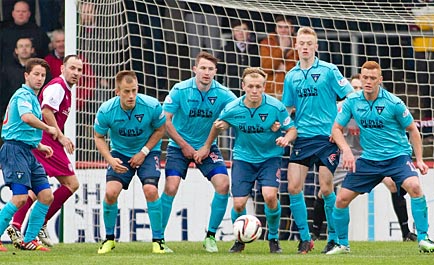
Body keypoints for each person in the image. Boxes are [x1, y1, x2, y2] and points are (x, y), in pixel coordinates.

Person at [327, 60, 434, 255]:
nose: (368, 81)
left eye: (372, 78)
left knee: (415, 187)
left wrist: (419, 159)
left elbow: (412, 129)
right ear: (360, 78)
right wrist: (345, 149)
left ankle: (423, 238)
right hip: (369, 159)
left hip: (397, 157)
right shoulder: (352, 102)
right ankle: (342, 244)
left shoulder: (393, 103)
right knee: (341, 199)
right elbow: (336, 129)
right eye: (365, 77)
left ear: (380, 79)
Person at [194, 67, 297, 253]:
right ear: (243, 86)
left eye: (258, 86)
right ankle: (239, 240)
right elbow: (217, 126)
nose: (254, 90)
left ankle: (273, 239)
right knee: (239, 203)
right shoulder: (233, 108)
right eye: (251, 86)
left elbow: (292, 129)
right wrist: (207, 146)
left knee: (270, 196)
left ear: (264, 87)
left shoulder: (275, 107)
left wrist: (285, 138)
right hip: (243, 159)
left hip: (270, 158)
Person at [311, 74, 417, 243]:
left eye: (361, 87)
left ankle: (406, 233)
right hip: (347, 156)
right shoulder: (344, 107)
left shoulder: (378, 105)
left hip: (371, 155)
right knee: (324, 190)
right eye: (356, 87)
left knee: (393, 185)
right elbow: (333, 128)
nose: (360, 90)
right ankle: (315, 233)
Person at [281, 26, 354, 254]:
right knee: (293, 187)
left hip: (326, 137)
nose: (304, 47)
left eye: (308, 43)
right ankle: (305, 239)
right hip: (302, 137)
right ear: (296, 46)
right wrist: (280, 124)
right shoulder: (291, 76)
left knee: (325, 188)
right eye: (301, 43)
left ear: (315, 46)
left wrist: (337, 122)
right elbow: (287, 108)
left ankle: (334, 239)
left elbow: (351, 96)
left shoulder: (329, 70)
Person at [161, 51, 236, 253]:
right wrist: (184, 145)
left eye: (210, 69)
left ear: (215, 72)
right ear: (194, 69)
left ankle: (211, 236)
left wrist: (206, 145)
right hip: (178, 147)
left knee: (223, 184)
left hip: (207, 147)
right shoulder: (180, 89)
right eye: (203, 68)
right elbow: (165, 120)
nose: (206, 72)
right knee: (171, 186)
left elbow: (237, 114)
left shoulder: (223, 94)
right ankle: (158, 239)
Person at [6, 55, 84, 248]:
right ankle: (39, 223)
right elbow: (46, 111)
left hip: (39, 141)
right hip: (44, 140)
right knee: (71, 183)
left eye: (79, 70)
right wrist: (60, 135)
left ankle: (19, 227)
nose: (76, 73)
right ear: (62, 69)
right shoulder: (57, 87)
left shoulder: (63, 89)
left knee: (38, 189)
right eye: (72, 68)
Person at [94, 70, 168, 254]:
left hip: (148, 152)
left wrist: (143, 152)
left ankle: (158, 241)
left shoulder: (151, 106)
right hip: (120, 153)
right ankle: (109, 239)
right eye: (126, 91)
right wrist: (110, 159)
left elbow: (160, 130)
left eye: (134, 90)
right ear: (117, 91)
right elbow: (98, 136)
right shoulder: (106, 110)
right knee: (111, 193)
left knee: (150, 190)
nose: (131, 96)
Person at [0, 58, 58, 251]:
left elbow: (20, 126)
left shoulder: (33, 98)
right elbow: (26, 118)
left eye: (43, 75)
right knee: (20, 198)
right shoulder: (23, 94)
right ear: (26, 75)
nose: (40, 78)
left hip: (27, 150)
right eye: (36, 74)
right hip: (14, 150)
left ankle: (29, 239)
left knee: (46, 195)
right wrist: (48, 128)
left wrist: (39, 145)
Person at [216, 19, 260, 96]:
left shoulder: (257, 49)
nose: (240, 32)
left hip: (252, 89)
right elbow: (219, 71)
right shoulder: (226, 49)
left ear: (249, 31)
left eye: (244, 29)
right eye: (237, 30)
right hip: (232, 90)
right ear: (233, 32)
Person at [1, 37, 36, 130]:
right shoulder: (7, 70)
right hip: (12, 113)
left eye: (27, 46)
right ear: (16, 50)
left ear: (32, 50)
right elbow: (3, 93)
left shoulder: (39, 69)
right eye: (21, 46)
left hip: (33, 112)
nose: (24, 49)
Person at [0, 1, 50, 66]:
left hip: (33, 72)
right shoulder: (4, 33)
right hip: (8, 72)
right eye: (18, 11)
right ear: (13, 14)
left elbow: (45, 55)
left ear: (29, 14)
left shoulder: (38, 32)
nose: (21, 14)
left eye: (24, 11)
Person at [260, 15, 298, 99]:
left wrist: (285, 68)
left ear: (292, 29)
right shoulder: (267, 43)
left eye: (286, 27)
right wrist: (281, 49)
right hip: (271, 90)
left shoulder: (299, 44)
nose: (283, 30)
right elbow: (266, 68)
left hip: (292, 89)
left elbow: (299, 69)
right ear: (275, 28)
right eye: (280, 27)